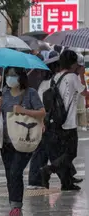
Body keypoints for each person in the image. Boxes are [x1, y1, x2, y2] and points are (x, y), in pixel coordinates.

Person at [0, 67, 45, 216]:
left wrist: (23, 110)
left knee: (15, 172)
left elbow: (42, 112)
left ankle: (17, 208)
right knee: (10, 174)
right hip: (6, 141)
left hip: (23, 140)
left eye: (14, 75)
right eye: (9, 75)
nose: (11, 78)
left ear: (21, 77)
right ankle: (13, 208)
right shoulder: (4, 93)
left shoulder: (30, 93)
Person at [40, 50, 88, 191]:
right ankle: (48, 169)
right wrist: (81, 75)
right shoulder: (73, 77)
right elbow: (85, 93)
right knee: (71, 153)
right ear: (73, 64)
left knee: (63, 154)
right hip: (68, 123)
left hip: (57, 121)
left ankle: (66, 184)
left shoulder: (56, 77)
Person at [28, 52, 59, 189]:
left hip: (43, 120)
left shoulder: (42, 83)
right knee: (48, 150)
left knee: (43, 150)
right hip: (47, 120)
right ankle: (63, 174)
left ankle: (37, 178)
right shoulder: (51, 83)